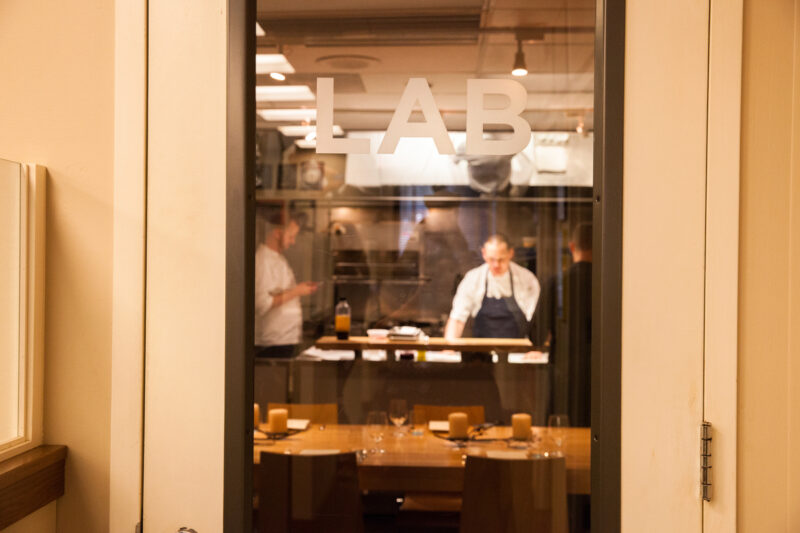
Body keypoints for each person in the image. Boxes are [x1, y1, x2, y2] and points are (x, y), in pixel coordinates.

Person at [532, 222, 592, 426]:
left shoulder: (557, 283)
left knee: (563, 437)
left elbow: (536, 335)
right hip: (602, 378)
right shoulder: (610, 285)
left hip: (565, 379)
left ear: (572, 247)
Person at [444, 234, 541, 346]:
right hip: (481, 355)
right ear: (484, 253)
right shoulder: (473, 278)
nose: (496, 265)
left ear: (511, 253)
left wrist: (536, 349)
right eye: (491, 259)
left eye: (501, 260)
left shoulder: (526, 279)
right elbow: (457, 319)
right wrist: (449, 347)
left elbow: (537, 321)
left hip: (518, 353)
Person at [254, 209, 319, 358]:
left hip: (285, 340)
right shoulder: (263, 262)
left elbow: (279, 293)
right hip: (272, 344)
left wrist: (299, 289)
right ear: (277, 233)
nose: (293, 241)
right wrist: (297, 291)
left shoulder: (278, 259)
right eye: (291, 236)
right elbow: (262, 303)